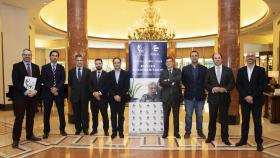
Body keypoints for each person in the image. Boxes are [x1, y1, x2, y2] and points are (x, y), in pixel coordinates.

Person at [235, 52, 266, 151]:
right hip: (244, 101)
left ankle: (259, 142)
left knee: (257, 122)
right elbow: (238, 85)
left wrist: (252, 96)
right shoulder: (241, 70)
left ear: (255, 58)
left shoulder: (261, 70)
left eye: (252, 56)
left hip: (256, 101)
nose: (250, 57)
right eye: (248, 56)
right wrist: (246, 96)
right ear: (246, 58)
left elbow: (262, 86)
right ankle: (243, 140)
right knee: (245, 122)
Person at [11, 48, 41, 148]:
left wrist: (35, 90)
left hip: (33, 96)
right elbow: (15, 82)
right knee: (19, 118)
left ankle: (30, 135)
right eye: (25, 54)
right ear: (22, 55)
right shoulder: (16, 66)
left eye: (29, 54)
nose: (27, 56)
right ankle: (16, 139)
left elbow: (38, 81)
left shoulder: (36, 67)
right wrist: (26, 90)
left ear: (31, 56)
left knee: (31, 117)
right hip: (20, 96)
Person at [204, 53, 235, 145]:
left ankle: (225, 138)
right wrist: (213, 88)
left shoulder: (228, 70)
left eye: (219, 58)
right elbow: (205, 84)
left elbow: (232, 83)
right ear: (213, 60)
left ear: (222, 59)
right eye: (215, 58)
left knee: (224, 119)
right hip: (213, 99)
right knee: (212, 118)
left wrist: (224, 89)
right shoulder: (208, 71)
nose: (217, 59)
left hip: (224, 98)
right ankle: (210, 136)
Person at [181, 50, 207, 139]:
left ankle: (200, 132)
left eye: (196, 55)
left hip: (200, 96)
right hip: (189, 96)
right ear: (190, 57)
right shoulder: (185, 69)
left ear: (198, 57)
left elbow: (206, 81)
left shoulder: (204, 68)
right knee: (188, 115)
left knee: (199, 115)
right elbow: (183, 81)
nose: (194, 57)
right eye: (192, 56)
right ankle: (187, 132)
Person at [41, 50, 67, 139]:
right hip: (48, 93)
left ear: (58, 57)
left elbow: (63, 80)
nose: (54, 57)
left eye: (56, 55)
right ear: (50, 57)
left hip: (59, 93)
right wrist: (51, 88)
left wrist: (56, 88)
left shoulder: (61, 67)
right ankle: (46, 131)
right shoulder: (44, 67)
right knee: (46, 113)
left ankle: (62, 129)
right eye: (53, 55)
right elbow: (43, 80)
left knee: (61, 112)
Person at [159, 57, 182, 139]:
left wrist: (167, 80)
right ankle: (165, 132)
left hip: (176, 98)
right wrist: (172, 82)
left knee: (176, 116)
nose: (169, 63)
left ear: (173, 62)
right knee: (166, 116)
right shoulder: (163, 72)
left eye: (170, 61)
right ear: (165, 63)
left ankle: (176, 132)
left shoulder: (178, 70)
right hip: (166, 98)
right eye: (167, 62)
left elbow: (179, 78)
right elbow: (161, 83)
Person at [68, 54, 91, 135]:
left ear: (83, 61)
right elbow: (70, 84)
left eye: (81, 60)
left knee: (84, 113)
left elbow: (89, 84)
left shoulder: (88, 71)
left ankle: (85, 128)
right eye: (78, 60)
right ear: (75, 61)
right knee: (76, 114)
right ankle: (78, 128)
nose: (79, 62)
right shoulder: (71, 72)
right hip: (75, 97)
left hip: (85, 96)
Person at [107, 57, 129, 139]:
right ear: (113, 64)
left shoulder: (126, 74)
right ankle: (114, 132)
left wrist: (119, 95)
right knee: (113, 115)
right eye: (115, 63)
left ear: (120, 63)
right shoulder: (109, 74)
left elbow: (127, 87)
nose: (116, 64)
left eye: (118, 62)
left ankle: (120, 132)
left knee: (121, 116)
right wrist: (114, 95)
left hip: (121, 98)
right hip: (112, 99)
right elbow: (108, 87)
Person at [89, 58, 109, 136]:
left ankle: (106, 130)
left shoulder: (106, 74)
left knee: (104, 115)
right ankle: (94, 129)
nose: (98, 65)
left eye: (99, 63)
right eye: (96, 63)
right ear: (95, 65)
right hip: (93, 99)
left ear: (102, 64)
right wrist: (94, 93)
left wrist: (99, 93)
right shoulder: (91, 74)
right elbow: (89, 85)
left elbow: (107, 86)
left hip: (103, 99)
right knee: (94, 115)